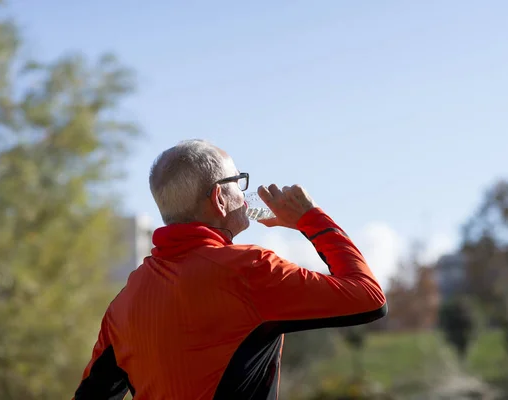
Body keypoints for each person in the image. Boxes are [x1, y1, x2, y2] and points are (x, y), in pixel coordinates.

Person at [72, 139, 387, 400]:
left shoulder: (125, 301)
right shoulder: (249, 270)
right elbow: (369, 298)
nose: (244, 192)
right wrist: (311, 219)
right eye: (238, 181)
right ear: (219, 198)